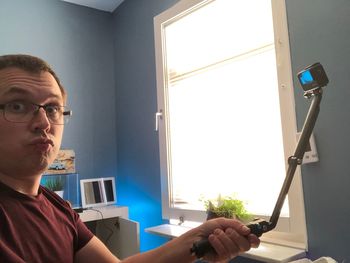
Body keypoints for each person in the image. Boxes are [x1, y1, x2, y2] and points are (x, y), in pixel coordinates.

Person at [0, 54, 260, 263]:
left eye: (53, 108)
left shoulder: (58, 208)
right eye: (17, 106)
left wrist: (194, 241)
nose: (44, 123)